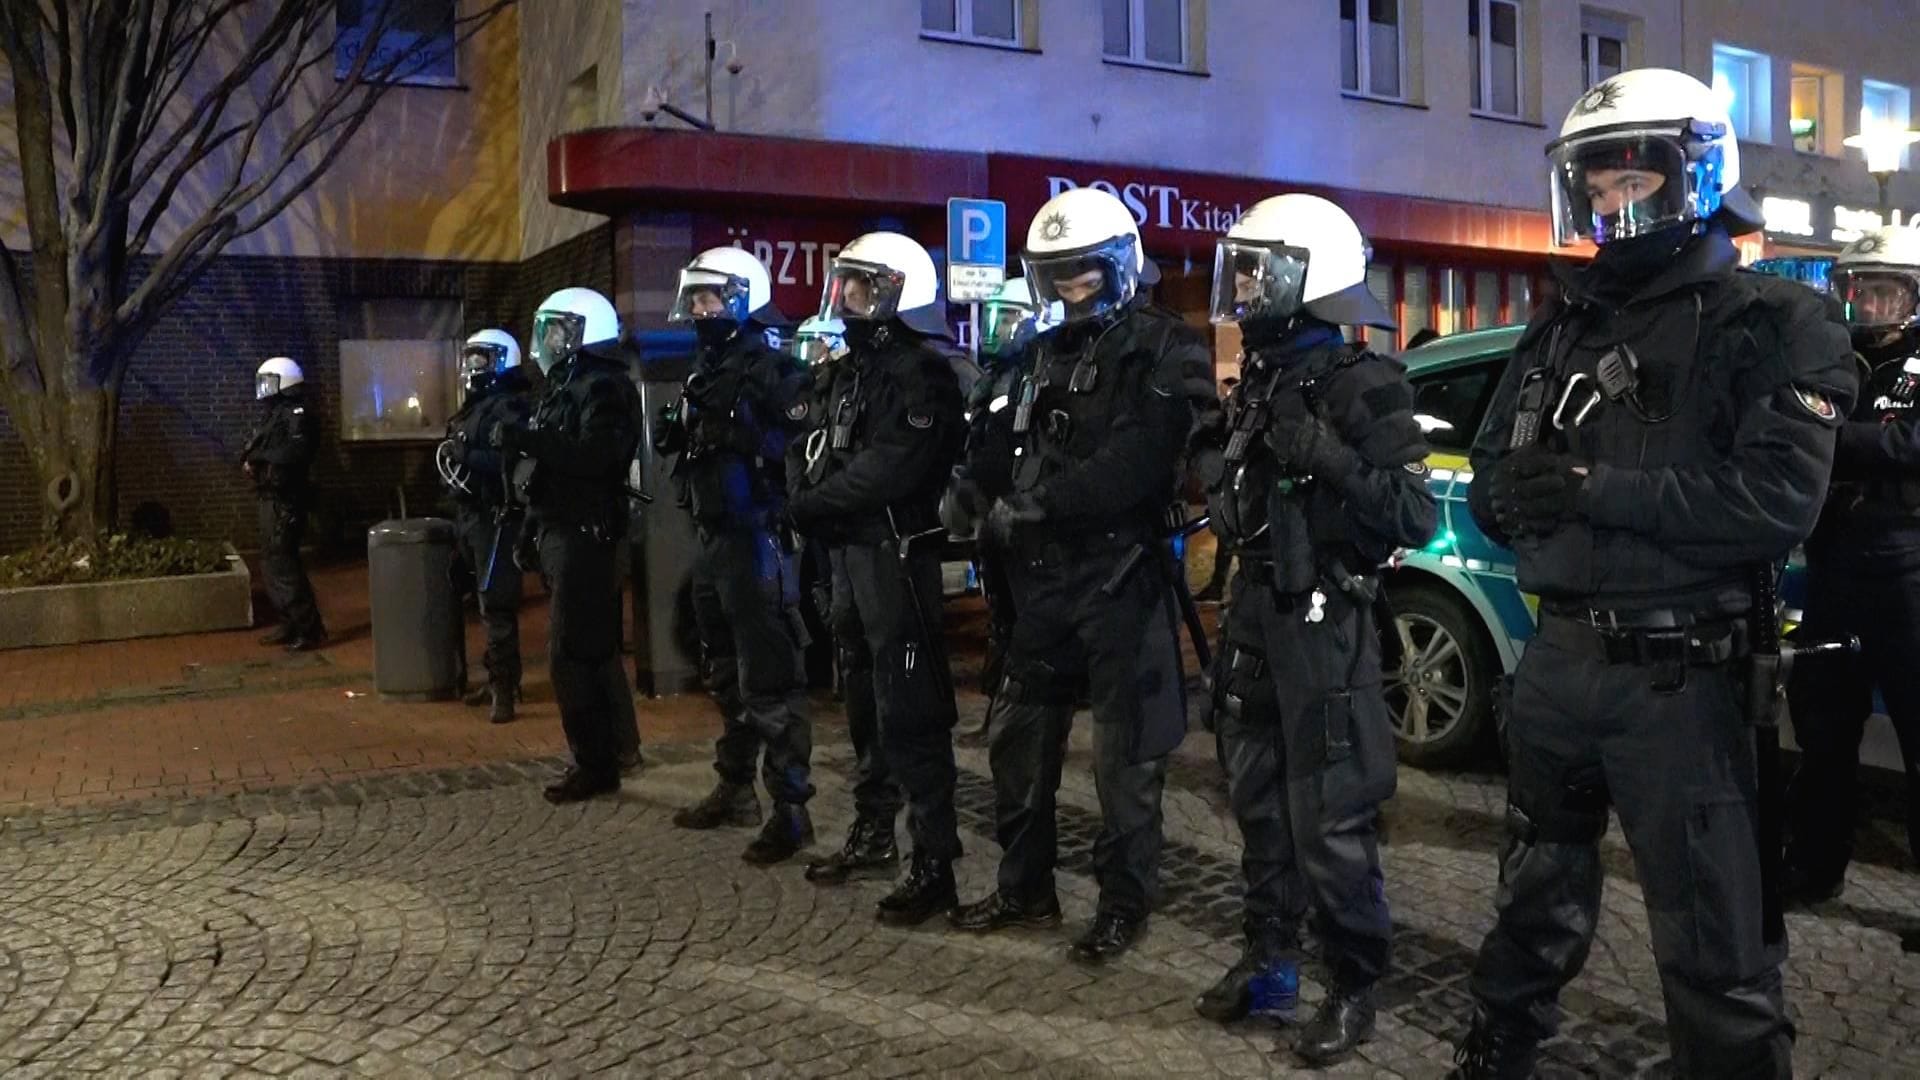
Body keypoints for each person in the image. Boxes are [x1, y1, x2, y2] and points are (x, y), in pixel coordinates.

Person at [1447, 69, 1856, 1079]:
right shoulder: (1562, 325)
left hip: (1684, 683)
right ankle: (1499, 1048)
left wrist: (1592, 490)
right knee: (1532, 887)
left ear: (1696, 174)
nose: (1613, 202)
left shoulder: (1774, 323)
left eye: (1635, 178)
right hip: (1559, 663)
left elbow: (1769, 508)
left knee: (1716, 935)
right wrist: (1516, 498)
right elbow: (1495, 473)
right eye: (1597, 184)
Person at [943, 186, 1220, 965]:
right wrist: (972, 486)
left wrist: (1042, 503)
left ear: (1120, 267)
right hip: (1040, 588)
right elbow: (998, 436)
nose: (1070, 288)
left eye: (1085, 273)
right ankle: (1025, 890)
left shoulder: (1166, 346)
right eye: (1056, 273)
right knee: (1017, 744)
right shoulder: (1034, 350)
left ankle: (1123, 905)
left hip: (1119, 581)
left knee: (1125, 766)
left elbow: (1139, 460)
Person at [1193, 194, 1435, 1065]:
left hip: (1325, 618)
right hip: (1257, 606)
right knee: (1256, 797)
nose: (1247, 287)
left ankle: (1352, 987)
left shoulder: (1361, 381)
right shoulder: (1261, 375)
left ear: (1314, 277)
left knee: (1330, 817)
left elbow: (1412, 511)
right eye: (1243, 269)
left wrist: (1327, 457)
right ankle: (1269, 962)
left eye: (1262, 271)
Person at [788, 232, 968, 924]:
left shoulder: (922, 375)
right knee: (864, 706)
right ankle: (875, 832)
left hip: (898, 563)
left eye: (863, 285)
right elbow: (816, 451)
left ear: (898, 291)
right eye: (848, 283)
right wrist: (807, 496)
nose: (848, 296)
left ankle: (935, 860)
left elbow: (890, 468)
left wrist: (812, 502)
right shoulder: (849, 371)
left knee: (912, 709)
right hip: (850, 563)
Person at [657, 246, 816, 865]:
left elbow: (798, 446)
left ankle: (791, 810)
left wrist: (737, 432)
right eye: (694, 297)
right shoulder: (707, 365)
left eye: (710, 297)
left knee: (768, 674)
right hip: (714, 535)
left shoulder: (772, 367)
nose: (699, 308)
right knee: (723, 668)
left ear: (742, 298)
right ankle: (736, 785)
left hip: (756, 535)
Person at [1783, 224, 1920, 904]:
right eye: (1862, 293)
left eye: (1887, 294)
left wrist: (1834, 442)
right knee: (1824, 731)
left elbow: (1910, 449)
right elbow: (1788, 427)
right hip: (1833, 569)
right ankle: (1816, 865)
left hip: (1907, 576)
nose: (1872, 308)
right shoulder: (1829, 359)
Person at [494, 287, 647, 804]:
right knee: (593, 650)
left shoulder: (604, 387)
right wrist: (528, 528)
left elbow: (595, 457)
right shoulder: (563, 387)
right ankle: (617, 750)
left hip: (587, 535)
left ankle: (594, 762)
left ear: (583, 332)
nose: (547, 341)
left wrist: (526, 438)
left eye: (556, 329)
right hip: (562, 530)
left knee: (570, 655)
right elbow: (546, 472)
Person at [959, 277, 1057, 743]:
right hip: (989, 512)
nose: (1000, 329)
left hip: (1022, 518)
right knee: (1000, 616)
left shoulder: (1038, 377)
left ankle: (1019, 718)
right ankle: (1001, 713)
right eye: (998, 317)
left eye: (1012, 318)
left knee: (1022, 622)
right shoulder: (992, 378)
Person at [438, 329, 533, 724]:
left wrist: (465, 454)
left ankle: (505, 688)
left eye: (482, 360)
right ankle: (496, 676)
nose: (473, 368)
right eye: (471, 359)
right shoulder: (475, 406)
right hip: (469, 514)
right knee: (476, 597)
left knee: (496, 603)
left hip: (496, 515)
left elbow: (506, 462)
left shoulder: (509, 408)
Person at [245, 356, 327, 651]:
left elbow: (295, 451)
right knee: (270, 562)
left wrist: (260, 458)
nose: (265, 389)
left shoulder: (297, 413)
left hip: (287, 498)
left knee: (284, 563)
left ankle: (308, 628)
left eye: (270, 381)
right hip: (270, 496)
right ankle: (289, 622)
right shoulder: (275, 414)